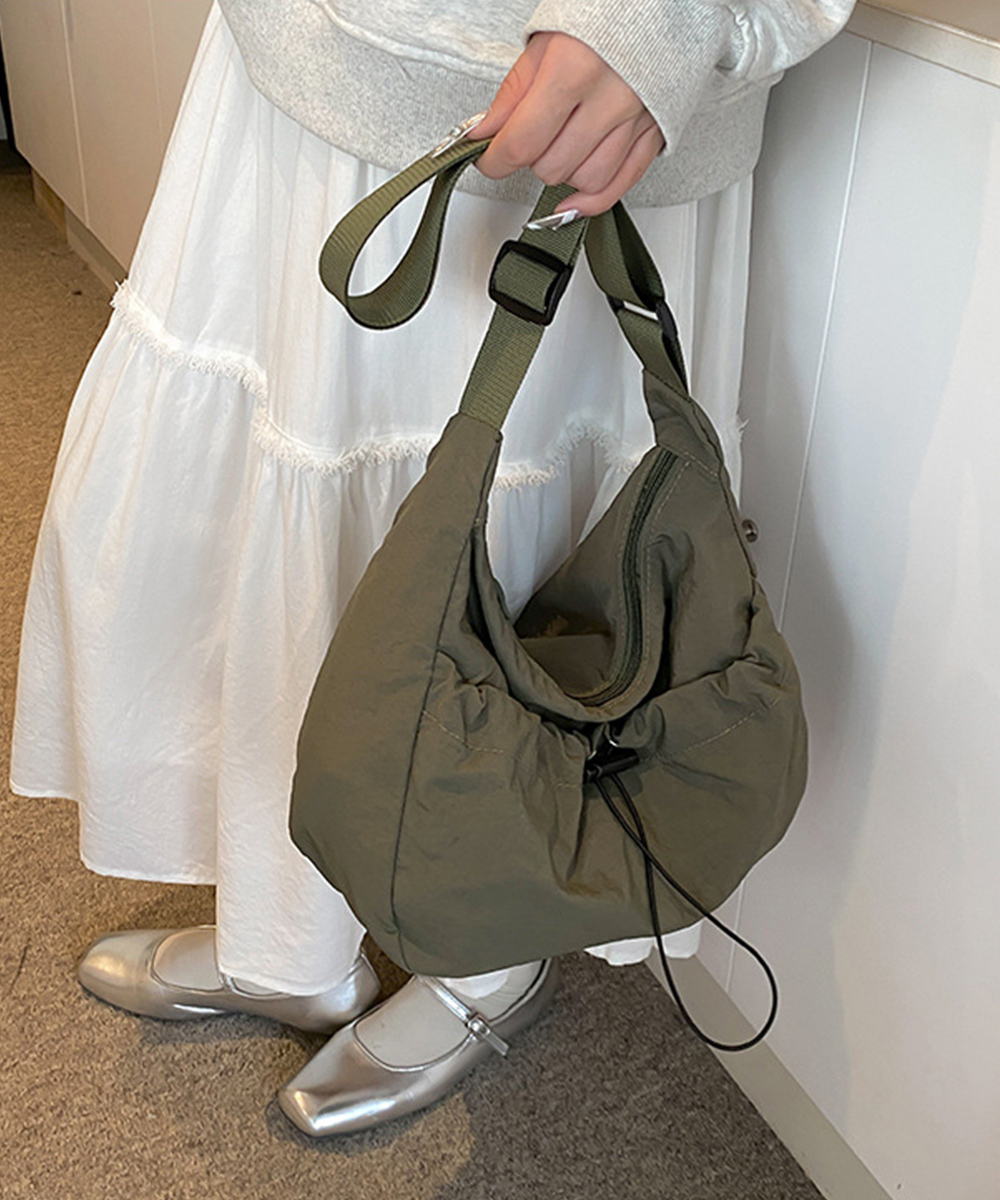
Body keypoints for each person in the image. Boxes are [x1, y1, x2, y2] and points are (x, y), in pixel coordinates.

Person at [11, 0, 854, 1136]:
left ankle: (484, 959)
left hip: (588, 90)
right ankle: (288, 938)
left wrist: (660, 20)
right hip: (320, 47)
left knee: (499, 564)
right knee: (295, 545)